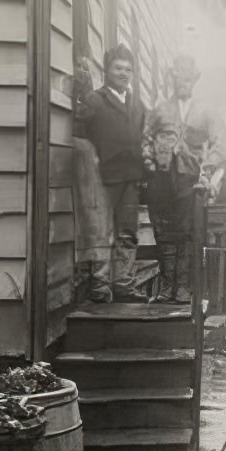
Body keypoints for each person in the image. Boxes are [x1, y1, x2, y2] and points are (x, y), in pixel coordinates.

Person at [142, 54, 226, 303]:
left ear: (194, 80)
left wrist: (206, 172)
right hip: (162, 181)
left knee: (188, 235)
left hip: (190, 183)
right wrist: (150, 162)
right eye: (179, 77)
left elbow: (218, 144)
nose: (183, 82)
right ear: (172, 78)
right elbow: (145, 139)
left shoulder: (206, 111)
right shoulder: (160, 109)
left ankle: (183, 289)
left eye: (188, 78)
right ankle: (167, 286)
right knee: (165, 234)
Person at [73, 44, 146, 303]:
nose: (123, 74)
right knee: (101, 233)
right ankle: (100, 286)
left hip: (131, 179)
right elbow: (79, 135)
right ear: (107, 70)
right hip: (102, 179)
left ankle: (124, 284)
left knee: (128, 232)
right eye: (118, 68)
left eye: (128, 69)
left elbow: (143, 138)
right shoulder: (95, 100)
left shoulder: (138, 105)